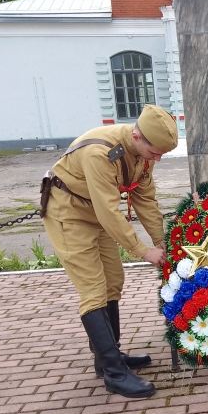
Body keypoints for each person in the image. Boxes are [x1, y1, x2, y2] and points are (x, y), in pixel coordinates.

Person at [40, 105, 178, 398]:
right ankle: (114, 374)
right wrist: (142, 250)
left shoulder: (143, 154)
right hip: (68, 213)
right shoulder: (100, 153)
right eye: (155, 152)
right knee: (93, 289)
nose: (158, 158)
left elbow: (146, 202)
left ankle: (108, 358)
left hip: (96, 213)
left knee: (113, 280)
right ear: (137, 136)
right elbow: (108, 210)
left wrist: (161, 241)